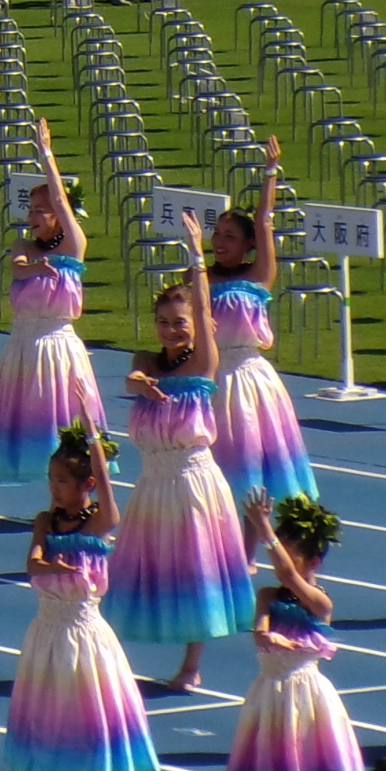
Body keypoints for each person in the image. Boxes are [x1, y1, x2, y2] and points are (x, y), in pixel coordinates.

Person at [106, 213, 247, 693]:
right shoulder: (145, 363)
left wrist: (195, 254)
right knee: (140, 567)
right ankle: (115, 655)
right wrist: (137, 384)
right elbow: (133, 377)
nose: (171, 331)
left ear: (200, 325)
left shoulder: (207, 361)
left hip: (192, 483)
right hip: (152, 483)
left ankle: (192, 664)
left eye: (180, 323)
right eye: (164, 323)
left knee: (194, 570)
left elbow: (204, 305)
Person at [2, 424, 156, 771]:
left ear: (86, 484)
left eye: (63, 482)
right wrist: (53, 565)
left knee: (99, 717)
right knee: (46, 717)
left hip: (84, 634)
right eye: (51, 480)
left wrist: (94, 445)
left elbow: (112, 508)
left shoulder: (96, 526)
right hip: (47, 634)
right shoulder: (45, 522)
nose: (54, 488)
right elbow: (33, 564)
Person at [213, 495, 363, 771]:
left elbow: (289, 575)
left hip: (308, 699)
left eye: (291, 552)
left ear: (313, 561)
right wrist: (268, 638)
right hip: (269, 696)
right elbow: (260, 631)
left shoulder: (320, 602)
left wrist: (264, 530)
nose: (279, 562)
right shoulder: (267, 596)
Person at [0, 123, 103, 521]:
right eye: (31, 211)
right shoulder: (23, 247)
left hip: (59, 347)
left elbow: (61, 200)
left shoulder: (74, 246)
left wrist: (46, 155)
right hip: (23, 347)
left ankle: (85, 506)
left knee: (68, 427)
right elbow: (19, 268)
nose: (35, 217)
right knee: (6, 423)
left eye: (42, 211)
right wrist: (34, 266)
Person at [207, 143, 317, 512]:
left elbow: (264, 220)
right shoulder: (198, 279)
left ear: (249, 245)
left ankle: (259, 534)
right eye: (217, 234)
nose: (219, 242)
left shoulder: (259, 276)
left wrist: (270, 171)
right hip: (213, 375)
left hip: (250, 380)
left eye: (229, 236)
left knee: (256, 460)